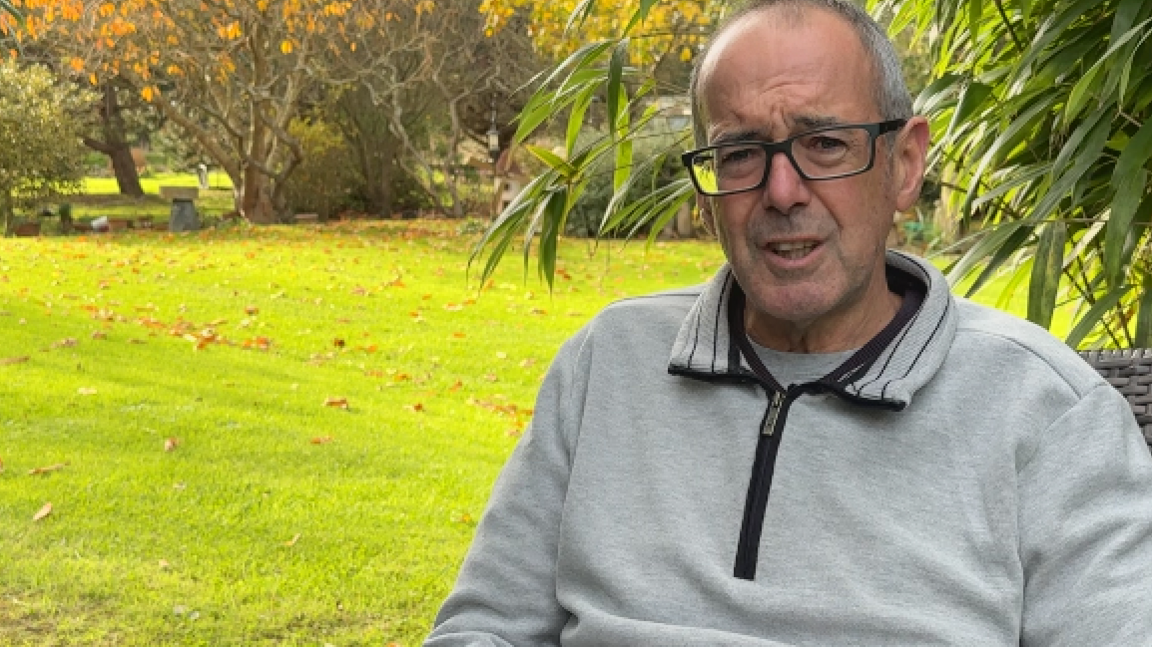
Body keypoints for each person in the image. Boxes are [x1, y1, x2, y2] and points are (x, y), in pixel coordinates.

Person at [425, 1, 1152, 645]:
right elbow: (485, 626)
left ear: (904, 165)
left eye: (824, 144)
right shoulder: (607, 363)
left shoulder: (1049, 414)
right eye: (741, 153)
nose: (781, 191)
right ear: (705, 195)